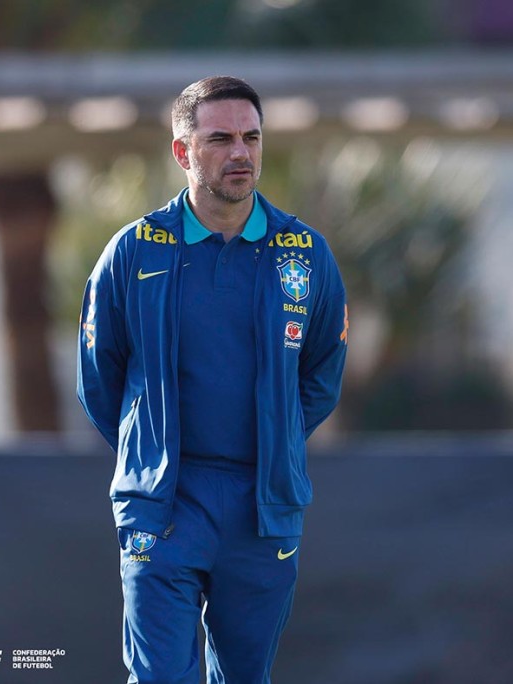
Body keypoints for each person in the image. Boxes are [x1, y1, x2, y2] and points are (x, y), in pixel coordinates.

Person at [77, 76, 348, 683]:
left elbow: (322, 375)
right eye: (221, 139)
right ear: (183, 151)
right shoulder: (134, 251)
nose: (241, 153)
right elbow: (100, 379)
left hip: (262, 505)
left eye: (252, 137)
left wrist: (275, 437)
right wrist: (149, 449)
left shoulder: (305, 253)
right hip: (164, 504)